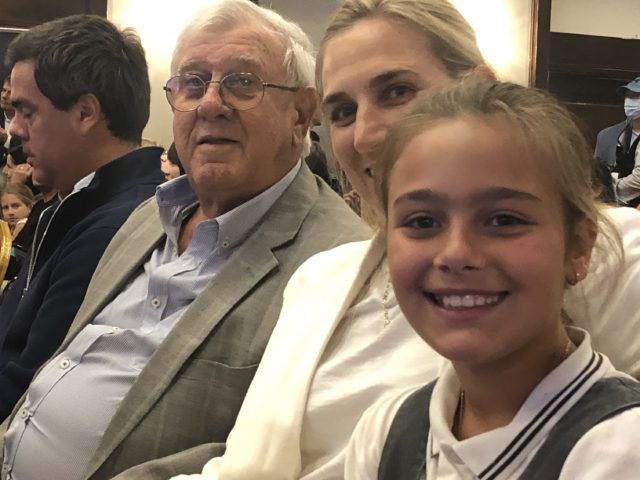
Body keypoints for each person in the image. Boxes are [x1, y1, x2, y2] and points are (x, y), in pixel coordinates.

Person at [177, 1, 640, 479]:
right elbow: (243, 466)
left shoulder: (609, 250)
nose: (366, 135)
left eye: (397, 91)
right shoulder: (321, 279)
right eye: (343, 112)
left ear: (476, 88)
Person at [0, 1, 368, 479]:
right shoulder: (148, 217)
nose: (210, 104)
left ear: (301, 114)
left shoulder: (341, 264)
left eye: (242, 82)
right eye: (192, 83)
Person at [346, 79, 640, 480]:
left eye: (503, 220)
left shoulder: (620, 449)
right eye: (422, 222)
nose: (456, 254)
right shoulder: (385, 432)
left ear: (578, 247)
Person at [0, 15, 166, 422]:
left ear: (85, 113)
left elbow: (28, 389)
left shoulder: (117, 226)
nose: (14, 130)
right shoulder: (75, 203)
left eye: (26, 111)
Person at [611, 77, 640, 206]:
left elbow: (638, 179)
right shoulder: (625, 133)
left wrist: (611, 189)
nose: (629, 101)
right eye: (627, 96)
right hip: (626, 205)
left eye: (636, 96)